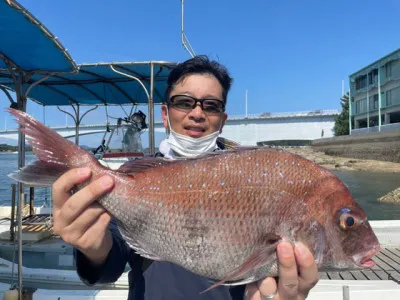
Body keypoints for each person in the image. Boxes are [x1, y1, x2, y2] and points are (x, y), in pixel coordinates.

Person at [52, 56, 319, 300]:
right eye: (183, 102)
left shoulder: (252, 178)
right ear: (165, 115)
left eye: (211, 106)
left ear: (222, 120)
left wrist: (279, 289)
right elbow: (111, 261)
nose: (197, 113)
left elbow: (269, 260)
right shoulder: (134, 177)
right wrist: (93, 248)